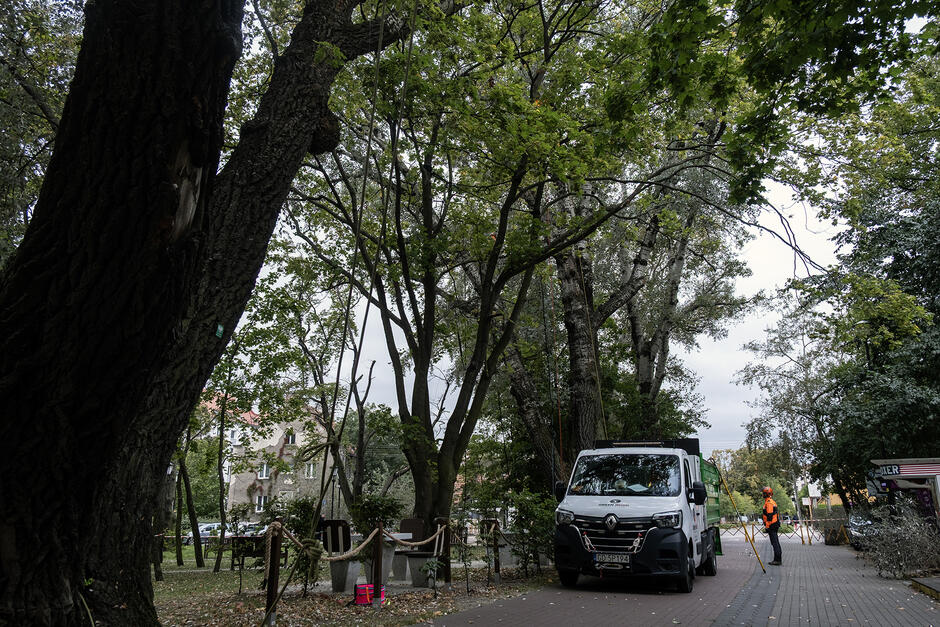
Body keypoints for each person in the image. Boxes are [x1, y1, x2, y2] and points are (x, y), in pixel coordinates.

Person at [762, 486, 782, 565]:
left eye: (763, 493)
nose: (762, 494)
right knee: (775, 542)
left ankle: (777, 560)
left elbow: (769, 516)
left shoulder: (769, 503)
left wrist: (767, 526)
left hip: (772, 525)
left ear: (766, 494)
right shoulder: (770, 501)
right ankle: (777, 559)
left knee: (775, 543)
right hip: (774, 524)